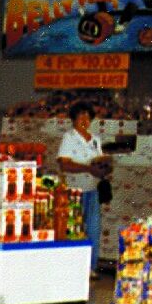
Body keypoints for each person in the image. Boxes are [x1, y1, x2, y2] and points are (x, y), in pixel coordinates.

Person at [57, 101, 111, 274]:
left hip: (93, 190)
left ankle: (90, 267)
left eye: (88, 116)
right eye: (81, 115)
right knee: (74, 228)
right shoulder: (69, 137)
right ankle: (72, 267)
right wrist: (88, 168)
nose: (84, 119)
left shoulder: (95, 140)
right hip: (74, 191)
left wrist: (105, 167)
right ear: (73, 118)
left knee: (93, 229)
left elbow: (100, 162)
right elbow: (64, 164)